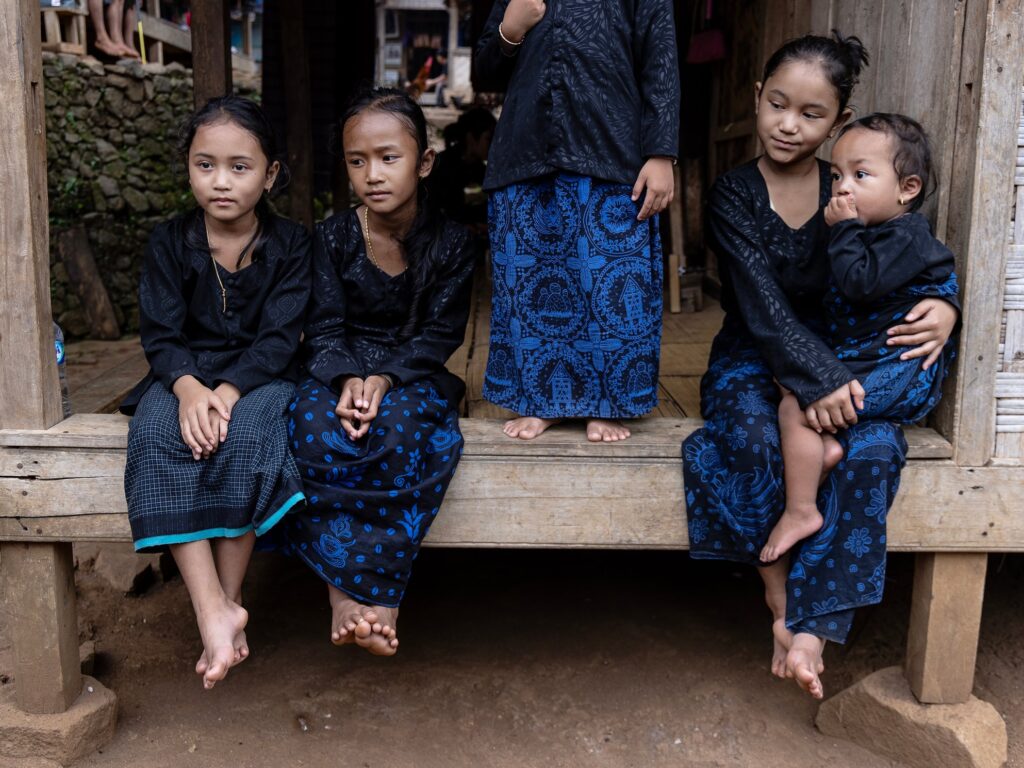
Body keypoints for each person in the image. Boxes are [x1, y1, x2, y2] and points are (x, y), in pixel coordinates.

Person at [681, 33, 959, 699]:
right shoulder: (733, 196)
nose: (788, 124)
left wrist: (944, 307)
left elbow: (912, 261)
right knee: (750, 439)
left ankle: (814, 623)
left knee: (871, 451)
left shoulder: (855, 183)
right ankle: (777, 590)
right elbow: (763, 309)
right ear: (757, 98)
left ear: (838, 121)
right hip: (758, 358)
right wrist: (817, 381)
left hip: (849, 362)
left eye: (811, 114)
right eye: (777, 104)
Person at [121, 95, 312, 689]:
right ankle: (212, 611)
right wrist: (185, 389)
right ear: (187, 166)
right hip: (182, 372)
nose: (221, 182)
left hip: (261, 375)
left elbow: (282, 338)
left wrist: (228, 392)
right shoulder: (168, 242)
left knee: (249, 433)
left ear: (271, 173)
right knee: (154, 433)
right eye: (205, 165)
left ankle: (229, 603)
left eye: (240, 167)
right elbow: (160, 330)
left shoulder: (293, 245)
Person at [280, 87, 475, 656]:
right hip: (336, 366)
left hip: (412, 372)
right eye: (357, 161)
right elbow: (323, 325)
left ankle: (381, 590)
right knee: (314, 432)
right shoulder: (334, 237)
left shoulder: (453, 243)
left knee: (398, 433)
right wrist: (344, 381)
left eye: (389, 158)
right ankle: (340, 590)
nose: (373, 175)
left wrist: (386, 379)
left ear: (425, 162)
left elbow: (440, 335)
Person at [475, 0, 680, 443]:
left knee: (607, 285)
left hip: (612, 156)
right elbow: (485, 73)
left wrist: (662, 153)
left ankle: (605, 403)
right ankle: (539, 401)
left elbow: (660, 61)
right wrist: (510, 30)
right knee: (533, 286)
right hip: (525, 157)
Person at [760, 113, 959, 564]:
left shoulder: (905, 234)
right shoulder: (877, 232)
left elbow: (859, 283)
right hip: (873, 361)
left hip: (898, 372)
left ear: (907, 189)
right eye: (836, 175)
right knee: (787, 381)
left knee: (798, 397)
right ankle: (822, 449)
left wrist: (844, 229)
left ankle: (801, 509)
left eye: (860, 175)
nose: (842, 187)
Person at [426, 107, 496, 235]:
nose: (493, 145)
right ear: (470, 138)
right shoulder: (443, 167)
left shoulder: (479, 169)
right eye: (489, 139)